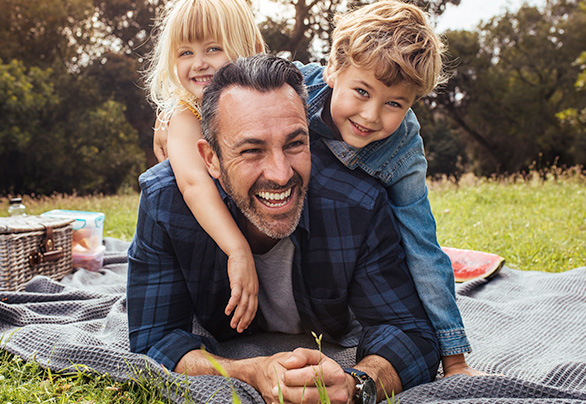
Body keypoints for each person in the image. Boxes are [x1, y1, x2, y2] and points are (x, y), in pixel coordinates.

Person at [152, 0, 481, 376]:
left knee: (415, 247)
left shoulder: (402, 150)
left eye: (393, 103)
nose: (370, 115)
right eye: (360, 92)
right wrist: (172, 117)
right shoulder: (293, 87)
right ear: (332, 71)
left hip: (342, 244)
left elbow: (423, 247)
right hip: (269, 228)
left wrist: (453, 358)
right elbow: (241, 89)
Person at [128, 55, 440, 403]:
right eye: (251, 150)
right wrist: (249, 372)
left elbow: (412, 335)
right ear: (210, 159)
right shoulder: (166, 202)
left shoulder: (357, 203)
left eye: (294, 144)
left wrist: (356, 386)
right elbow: (154, 342)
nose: (280, 174)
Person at [144, 0, 265, 333]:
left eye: (213, 48)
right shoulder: (185, 114)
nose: (198, 64)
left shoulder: (265, 98)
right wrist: (237, 249)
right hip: (210, 245)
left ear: (250, 50)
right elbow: (193, 184)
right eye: (185, 53)